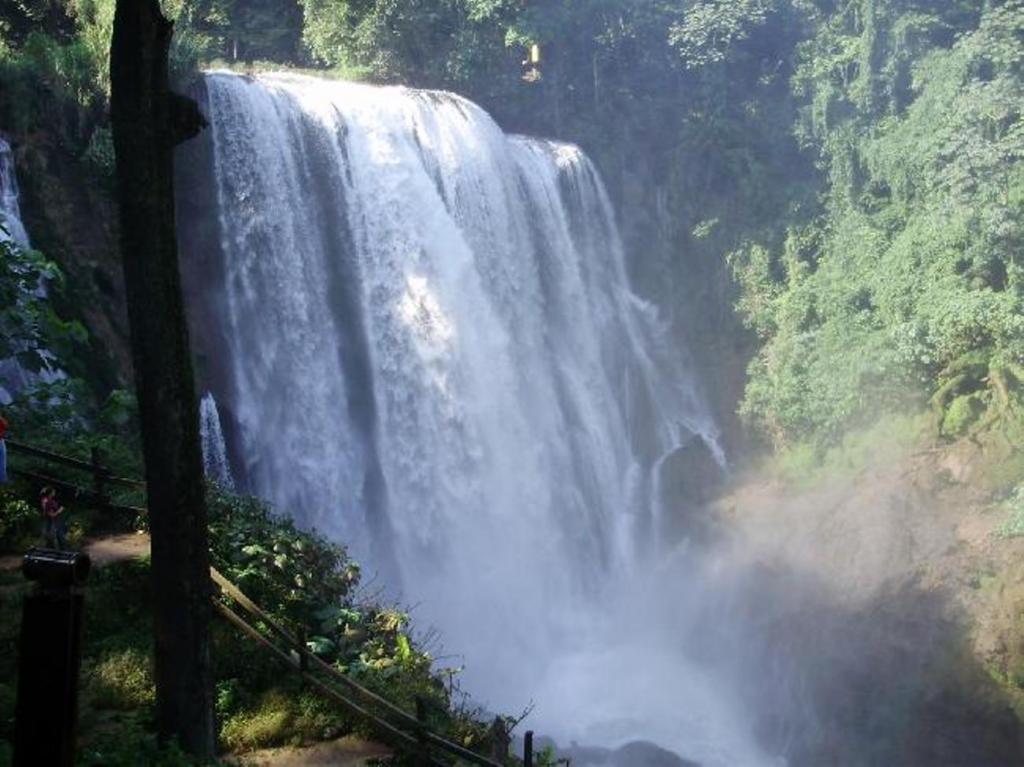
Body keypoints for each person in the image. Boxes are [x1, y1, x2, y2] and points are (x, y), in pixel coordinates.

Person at [40, 486, 67, 551]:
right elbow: (51, 514)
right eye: (53, 491)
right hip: (51, 523)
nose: (54, 493)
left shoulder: (50, 500)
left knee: (54, 540)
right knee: (53, 540)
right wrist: (59, 510)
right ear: (50, 493)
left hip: (54, 522)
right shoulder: (47, 501)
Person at [0, 412, 7, 484]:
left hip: (0, 441)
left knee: (2, 464)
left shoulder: (1, 421)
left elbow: (4, 429)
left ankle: (2, 479)